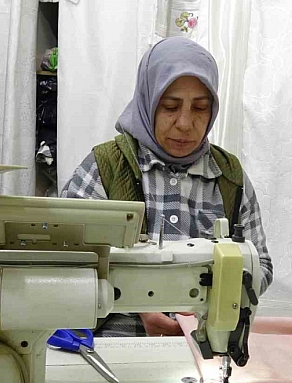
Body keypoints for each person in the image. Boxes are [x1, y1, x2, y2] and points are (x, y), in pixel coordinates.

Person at [62, 37, 272, 337]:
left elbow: (260, 265)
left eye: (200, 108)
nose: (185, 123)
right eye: (170, 106)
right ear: (147, 101)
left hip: (206, 343)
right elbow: (65, 262)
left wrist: (213, 300)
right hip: (115, 347)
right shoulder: (106, 167)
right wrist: (139, 301)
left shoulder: (227, 176)